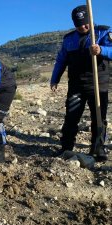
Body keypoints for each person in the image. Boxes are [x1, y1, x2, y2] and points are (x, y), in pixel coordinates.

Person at [50, 5, 112, 161]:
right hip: (76, 85)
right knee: (71, 116)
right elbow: (61, 60)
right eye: (79, 24)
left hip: (98, 84)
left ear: (90, 19)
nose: (83, 27)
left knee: (99, 117)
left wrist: (101, 50)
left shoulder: (103, 32)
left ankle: (98, 148)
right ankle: (66, 148)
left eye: (85, 23)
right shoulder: (69, 39)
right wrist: (54, 79)